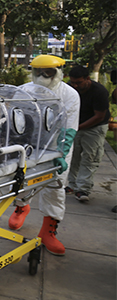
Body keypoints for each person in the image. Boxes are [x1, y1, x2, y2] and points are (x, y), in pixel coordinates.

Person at [8, 55, 80, 256]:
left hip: (58, 145)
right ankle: (21, 207)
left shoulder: (70, 95)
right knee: (21, 180)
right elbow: (16, 122)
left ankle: (49, 230)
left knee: (55, 186)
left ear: (59, 71)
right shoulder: (23, 90)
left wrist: (61, 153)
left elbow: (69, 128)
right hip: (29, 145)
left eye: (47, 72)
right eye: (38, 71)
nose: (42, 76)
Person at [65, 66, 111, 202]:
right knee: (73, 156)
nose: (75, 85)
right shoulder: (70, 88)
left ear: (87, 79)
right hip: (76, 125)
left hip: (95, 127)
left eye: (78, 82)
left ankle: (83, 188)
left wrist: (78, 127)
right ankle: (72, 185)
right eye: (72, 82)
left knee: (90, 157)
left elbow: (99, 116)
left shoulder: (99, 92)